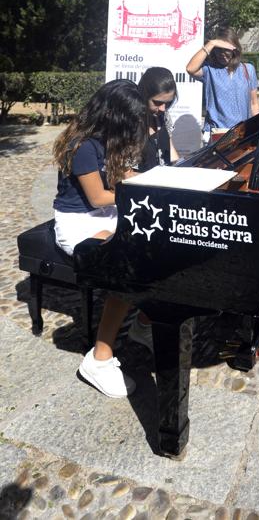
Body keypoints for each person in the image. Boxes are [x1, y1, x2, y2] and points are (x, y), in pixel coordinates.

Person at [53, 78, 146, 398]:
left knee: (154, 244)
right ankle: (98, 359)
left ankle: (143, 322)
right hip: (78, 223)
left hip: (102, 216)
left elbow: (119, 177)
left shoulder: (105, 138)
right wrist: (143, 190)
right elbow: (98, 198)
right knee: (127, 260)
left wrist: (151, 178)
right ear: (114, 115)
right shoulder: (81, 145)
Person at [185, 28, 259, 141]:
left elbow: (254, 104)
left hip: (242, 133)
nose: (222, 54)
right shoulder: (209, 70)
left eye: (226, 49)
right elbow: (190, 68)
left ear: (235, 49)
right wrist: (211, 43)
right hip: (218, 134)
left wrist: (257, 130)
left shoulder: (248, 69)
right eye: (218, 49)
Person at [137, 66, 179, 171]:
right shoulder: (131, 121)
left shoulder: (163, 116)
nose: (163, 109)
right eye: (157, 103)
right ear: (144, 95)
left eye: (168, 103)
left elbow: (173, 158)